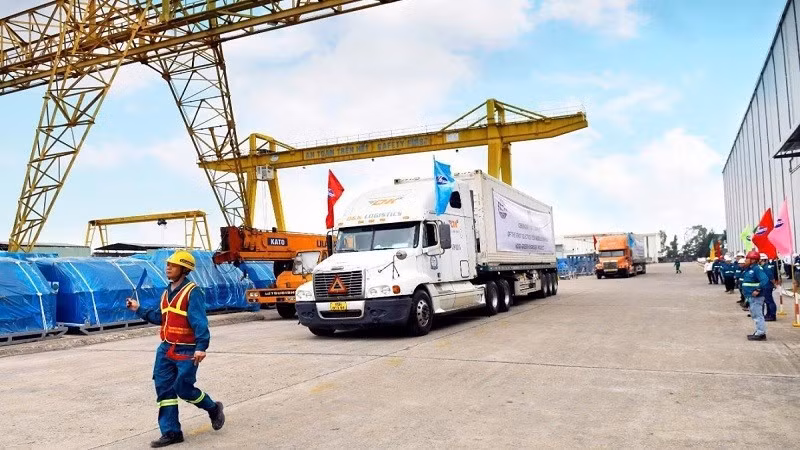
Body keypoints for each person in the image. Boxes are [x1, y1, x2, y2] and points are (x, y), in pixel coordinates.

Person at [126, 250, 225, 448]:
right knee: (164, 390)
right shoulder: (166, 292)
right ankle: (171, 432)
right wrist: (138, 309)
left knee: (184, 389)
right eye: (168, 264)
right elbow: (160, 318)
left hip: (187, 351)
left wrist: (201, 347)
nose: (168, 268)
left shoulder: (193, 292)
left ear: (184, 269)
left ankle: (213, 408)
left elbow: (200, 322)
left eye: (173, 265)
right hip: (166, 349)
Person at [741, 250, 771, 341]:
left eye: (747, 259)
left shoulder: (757, 269)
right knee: (755, 315)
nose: (745, 260)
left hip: (756, 296)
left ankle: (761, 333)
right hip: (751, 296)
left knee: (758, 315)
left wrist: (757, 289)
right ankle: (759, 331)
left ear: (753, 260)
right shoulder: (750, 269)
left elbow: (765, 280)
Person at [760, 254, 778, 322]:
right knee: (767, 301)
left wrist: (774, 284)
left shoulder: (766, 267)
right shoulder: (764, 267)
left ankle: (772, 315)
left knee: (769, 301)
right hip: (765, 286)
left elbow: (771, 277)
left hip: (767, 286)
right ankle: (768, 314)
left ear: (762, 260)